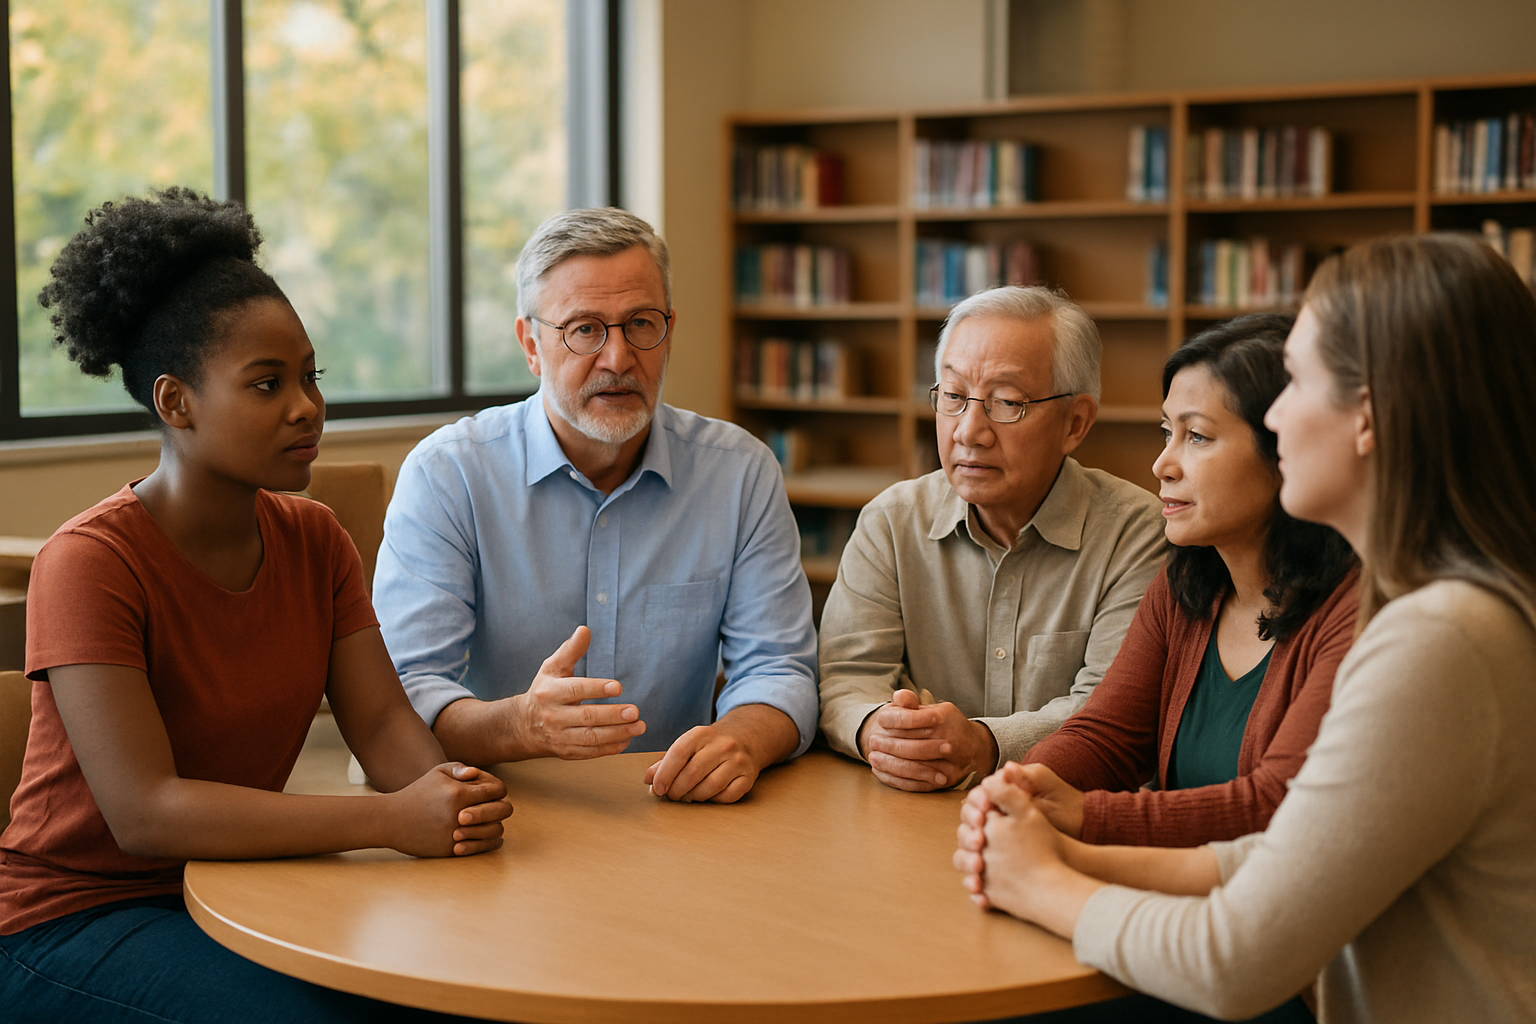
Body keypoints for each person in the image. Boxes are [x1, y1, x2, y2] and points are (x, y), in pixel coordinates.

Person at [955, 234, 1536, 1023]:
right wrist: (1066, 848)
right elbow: (1286, 854)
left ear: (1367, 417)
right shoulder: (1447, 609)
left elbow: (1233, 962)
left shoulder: (1440, 637)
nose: (1278, 415)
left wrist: (1045, 880)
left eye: (1295, 381)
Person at [0, 188, 512, 1022]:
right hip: (73, 921)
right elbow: (147, 814)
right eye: (267, 384)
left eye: (310, 376)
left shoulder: (316, 539)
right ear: (177, 403)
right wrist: (389, 822)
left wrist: (450, 800)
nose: (307, 406)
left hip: (242, 888)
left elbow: (382, 725)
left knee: (456, 987)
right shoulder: (89, 563)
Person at [373, 207, 817, 804]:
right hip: (500, 808)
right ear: (531, 344)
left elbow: (780, 668)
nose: (617, 358)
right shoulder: (449, 473)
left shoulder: (739, 473)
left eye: (640, 324)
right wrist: (521, 725)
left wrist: (741, 738)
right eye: (584, 329)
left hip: (678, 810)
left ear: (669, 331)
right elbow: (402, 696)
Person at [1018, 313, 1358, 850]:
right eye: (1166, 431)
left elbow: (1275, 806)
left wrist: (1084, 815)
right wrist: (1027, 785)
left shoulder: (1354, 607)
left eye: (1197, 436)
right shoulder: (1186, 584)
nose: (1162, 464)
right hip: (1174, 898)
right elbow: (1107, 737)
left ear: (1285, 449)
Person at [818, 285, 1167, 792]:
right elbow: (847, 677)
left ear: (1075, 422)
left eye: (1006, 402)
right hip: (906, 809)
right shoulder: (891, 523)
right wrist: (884, 731)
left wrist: (984, 745)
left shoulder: (1135, 534)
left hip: (1067, 820)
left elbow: (1111, 712)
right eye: (954, 397)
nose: (969, 431)